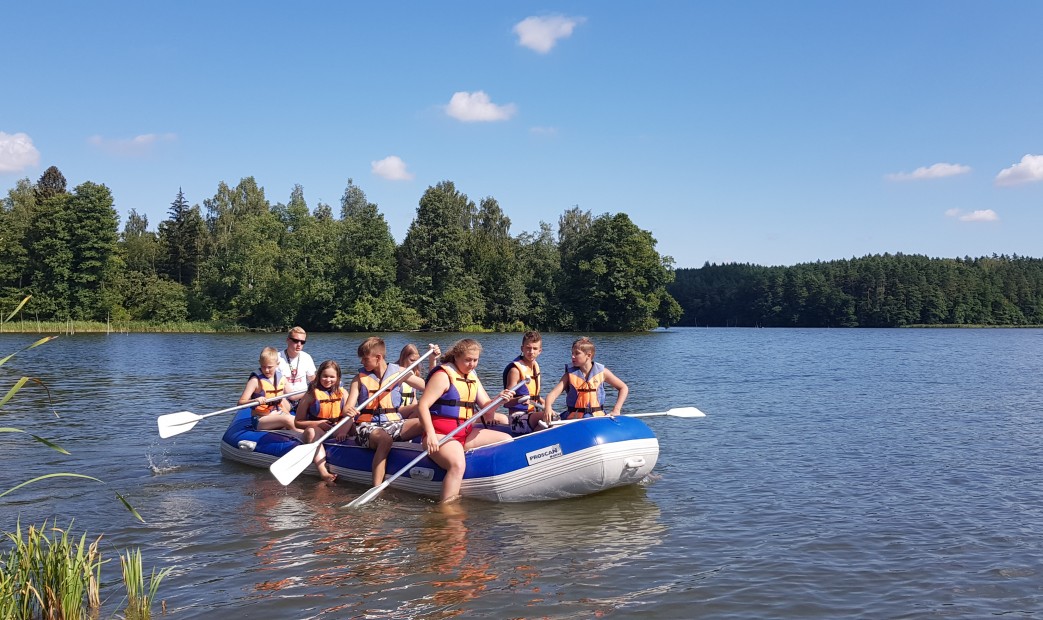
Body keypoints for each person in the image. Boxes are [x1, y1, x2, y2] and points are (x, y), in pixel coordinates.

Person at [417, 338, 515, 503]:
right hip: (441, 435)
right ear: (456, 357)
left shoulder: (472, 377)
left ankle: (487, 481)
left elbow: (486, 407)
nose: (472, 364)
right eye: (468, 360)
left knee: (506, 440)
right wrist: (431, 434)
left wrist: (500, 399)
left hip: (465, 433)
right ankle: (446, 508)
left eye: (475, 360)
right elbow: (422, 405)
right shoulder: (443, 375)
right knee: (457, 465)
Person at [341, 337, 436, 487]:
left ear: (378, 358)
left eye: (365, 359)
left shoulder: (399, 373)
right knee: (384, 439)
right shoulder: (358, 379)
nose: (362, 363)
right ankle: (376, 487)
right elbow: (348, 406)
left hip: (394, 422)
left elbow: (430, 386)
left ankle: (436, 461)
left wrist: (432, 360)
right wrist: (349, 410)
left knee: (428, 423)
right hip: (368, 426)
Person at [544, 337, 630, 420]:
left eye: (577, 353)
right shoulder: (568, 375)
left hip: (597, 417)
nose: (573, 356)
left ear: (588, 355)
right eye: (572, 353)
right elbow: (553, 394)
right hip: (574, 418)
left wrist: (616, 410)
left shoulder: (603, 372)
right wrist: (548, 407)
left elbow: (623, 388)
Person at [294, 359, 348, 483]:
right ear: (319, 376)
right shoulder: (310, 395)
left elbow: (349, 415)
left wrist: (343, 429)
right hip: (318, 431)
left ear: (338, 378)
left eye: (332, 377)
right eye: (325, 376)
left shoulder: (343, 393)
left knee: (350, 419)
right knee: (313, 432)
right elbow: (297, 422)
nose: (328, 380)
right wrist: (318, 423)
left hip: (337, 429)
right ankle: (323, 471)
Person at [238, 346, 298, 431]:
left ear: (277, 364)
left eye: (270, 367)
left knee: (297, 421)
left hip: (278, 413)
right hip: (261, 418)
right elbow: (240, 403)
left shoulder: (282, 378)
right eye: (263, 366)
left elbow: (293, 396)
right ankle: (306, 437)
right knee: (287, 419)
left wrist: (311, 390)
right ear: (260, 363)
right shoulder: (255, 381)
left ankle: (310, 437)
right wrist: (255, 401)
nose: (266, 370)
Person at [503, 330, 545, 433]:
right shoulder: (515, 370)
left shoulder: (535, 367)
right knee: (548, 416)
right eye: (528, 348)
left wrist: (544, 403)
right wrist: (518, 400)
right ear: (522, 348)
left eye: (535, 349)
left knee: (555, 416)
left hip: (531, 414)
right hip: (517, 419)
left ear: (540, 351)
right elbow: (506, 402)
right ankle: (533, 441)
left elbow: (533, 395)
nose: (531, 352)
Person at [277, 326, 317, 412]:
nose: (299, 344)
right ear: (287, 340)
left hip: (304, 398)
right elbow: (290, 395)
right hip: (284, 398)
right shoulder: (277, 358)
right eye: (295, 341)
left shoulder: (306, 357)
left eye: (302, 342)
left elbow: (313, 380)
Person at [396, 343, 440, 411]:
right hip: (398, 410)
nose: (415, 364)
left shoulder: (414, 373)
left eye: (417, 361)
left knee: (428, 406)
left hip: (408, 409)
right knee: (423, 407)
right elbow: (428, 386)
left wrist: (433, 360)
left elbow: (414, 397)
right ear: (403, 358)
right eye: (412, 360)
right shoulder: (395, 371)